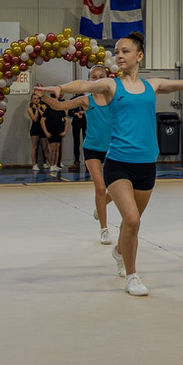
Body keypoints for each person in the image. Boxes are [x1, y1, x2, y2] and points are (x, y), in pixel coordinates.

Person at [36, 31, 183, 297]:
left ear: (139, 56)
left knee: (131, 223)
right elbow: (82, 85)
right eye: (117, 51)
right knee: (132, 220)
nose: (119, 55)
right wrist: (61, 89)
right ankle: (132, 276)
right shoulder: (110, 85)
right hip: (118, 163)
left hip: (146, 165)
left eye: (125, 51)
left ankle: (119, 252)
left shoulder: (153, 86)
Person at [40, 65, 114, 245]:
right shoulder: (85, 100)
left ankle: (101, 205)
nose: (97, 79)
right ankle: (104, 229)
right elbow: (59, 106)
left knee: (115, 189)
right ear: (88, 81)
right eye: (94, 77)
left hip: (112, 148)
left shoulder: (115, 99)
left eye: (101, 76)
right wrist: (43, 97)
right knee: (100, 188)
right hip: (92, 148)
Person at [40, 94, 67, 175]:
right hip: (51, 131)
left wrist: (65, 131)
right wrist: (46, 132)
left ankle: (55, 164)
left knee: (57, 148)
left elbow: (66, 121)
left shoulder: (60, 109)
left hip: (59, 131)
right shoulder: (48, 110)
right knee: (52, 149)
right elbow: (42, 121)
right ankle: (51, 164)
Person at [27, 93, 48, 171]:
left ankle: (47, 163)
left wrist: (39, 109)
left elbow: (45, 116)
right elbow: (35, 119)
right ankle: (34, 164)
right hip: (35, 129)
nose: (36, 100)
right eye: (34, 99)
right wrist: (36, 110)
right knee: (34, 147)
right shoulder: (30, 109)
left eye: (38, 98)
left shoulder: (44, 106)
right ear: (31, 100)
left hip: (43, 128)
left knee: (45, 147)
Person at [68, 97, 87, 172]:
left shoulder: (87, 99)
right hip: (76, 123)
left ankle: (87, 162)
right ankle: (76, 161)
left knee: (86, 143)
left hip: (85, 122)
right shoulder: (73, 99)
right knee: (76, 143)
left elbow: (92, 110)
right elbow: (69, 113)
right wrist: (75, 113)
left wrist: (84, 112)